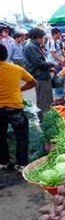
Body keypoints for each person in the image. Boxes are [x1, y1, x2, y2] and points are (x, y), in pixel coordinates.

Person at [0, 44, 38, 172]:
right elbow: (33, 82)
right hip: (15, 109)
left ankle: (4, 162)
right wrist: (20, 89)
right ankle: (22, 164)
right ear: (6, 55)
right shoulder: (16, 68)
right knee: (21, 136)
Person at [24, 28, 56, 120]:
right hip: (40, 77)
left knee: (45, 99)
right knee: (44, 100)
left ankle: (45, 118)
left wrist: (49, 69)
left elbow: (38, 63)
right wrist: (52, 64)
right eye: (42, 38)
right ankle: (45, 120)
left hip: (41, 74)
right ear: (37, 37)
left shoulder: (33, 45)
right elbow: (39, 63)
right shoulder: (31, 47)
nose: (43, 40)